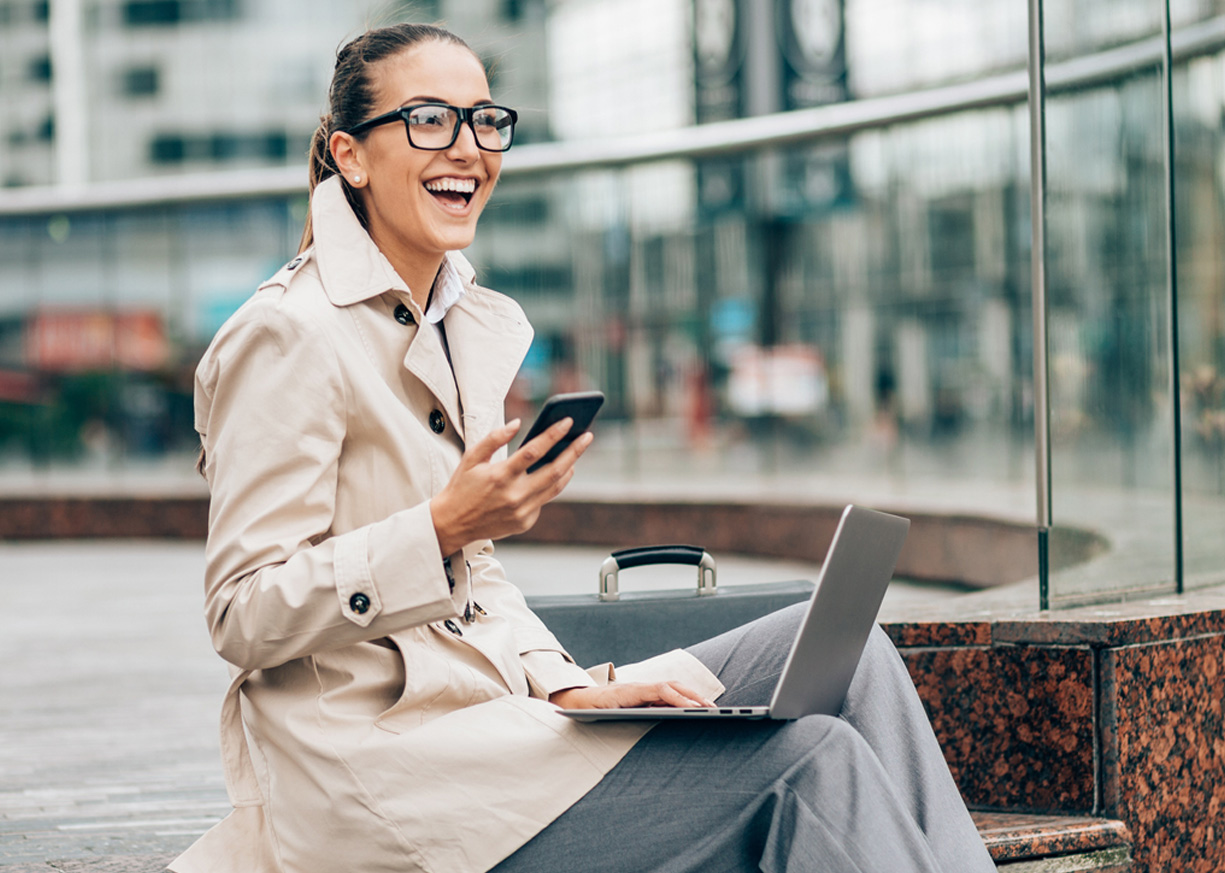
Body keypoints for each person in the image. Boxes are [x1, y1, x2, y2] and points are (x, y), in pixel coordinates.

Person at [172, 22, 997, 873]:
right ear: (350, 155)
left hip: (495, 729)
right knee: (809, 759)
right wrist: (439, 530)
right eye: (428, 120)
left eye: (484, 120)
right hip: (380, 776)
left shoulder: (453, 319)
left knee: (853, 652)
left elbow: (477, 579)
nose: (466, 148)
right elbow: (242, 611)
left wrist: (572, 685)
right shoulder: (286, 334)